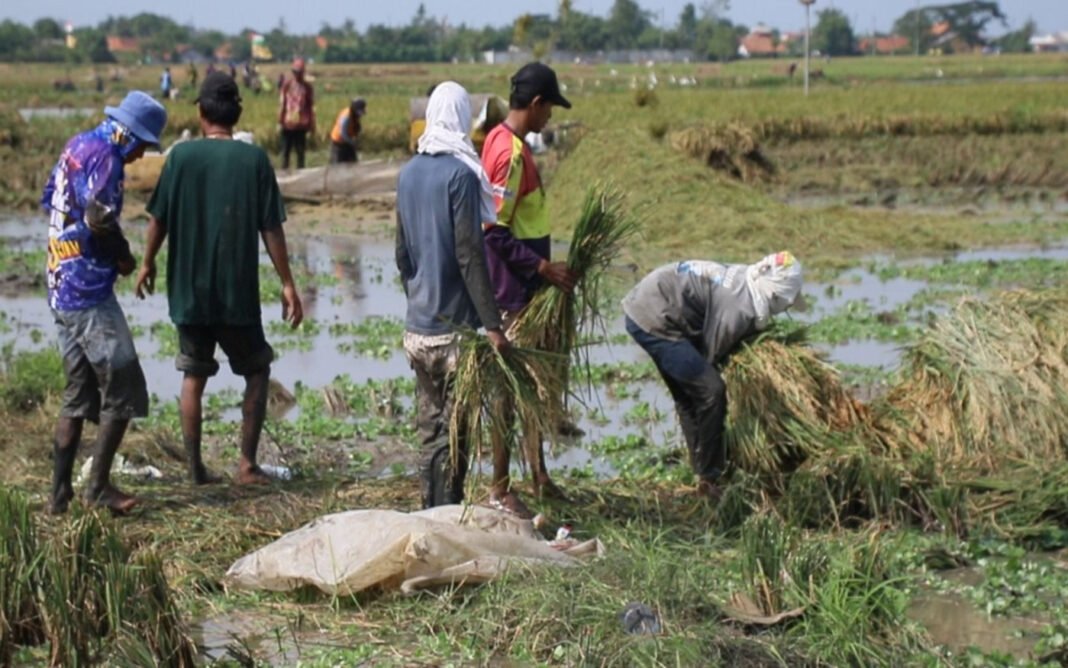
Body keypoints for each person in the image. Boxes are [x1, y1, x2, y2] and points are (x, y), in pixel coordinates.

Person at [136, 71, 303, 486]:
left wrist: (147, 262)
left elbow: (158, 219)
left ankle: (195, 469)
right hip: (236, 294)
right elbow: (271, 229)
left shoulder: (180, 158)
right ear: (237, 112)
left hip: (189, 294)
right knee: (257, 372)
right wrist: (287, 282)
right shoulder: (254, 160)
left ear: (200, 110)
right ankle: (246, 465)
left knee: (194, 376)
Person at [41, 91, 168, 514]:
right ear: (129, 136)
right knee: (125, 385)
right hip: (87, 291)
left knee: (77, 393)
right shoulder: (109, 158)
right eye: (143, 147)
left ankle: (58, 497)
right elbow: (98, 216)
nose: (139, 157)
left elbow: (51, 200)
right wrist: (123, 255)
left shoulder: (77, 145)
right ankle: (98, 487)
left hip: (59, 281)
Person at [396, 81, 509, 509]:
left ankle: (430, 510)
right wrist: (493, 326)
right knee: (457, 428)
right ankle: (450, 512)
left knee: (430, 430)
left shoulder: (407, 174)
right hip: (454, 336)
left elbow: (401, 254)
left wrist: (420, 296)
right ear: (461, 117)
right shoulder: (461, 175)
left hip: (417, 330)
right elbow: (469, 255)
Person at [622, 252, 803, 498]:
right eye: (787, 302)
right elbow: (711, 355)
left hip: (651, 302)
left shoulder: (748, 281)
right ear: (775, 295)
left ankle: (701, 470)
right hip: (654, 316)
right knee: (710, 391)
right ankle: (710, 477)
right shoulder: (739, 308)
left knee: (689, 394)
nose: (786, 308)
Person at [480, 62, 576, 516]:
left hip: (523, 289)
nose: (551, 118)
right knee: (510, 391)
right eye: (550, 108)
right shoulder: (511, 154)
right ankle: (500, 488)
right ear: (535, 105)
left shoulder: (502, 140)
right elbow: (493, 231)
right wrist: (543, 267)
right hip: (513, 294)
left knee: (534, 386)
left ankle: (538, 474)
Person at [278, 57, 315, 170]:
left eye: (299, 72)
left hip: (301, 124)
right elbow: (282, 103)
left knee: (300, 153)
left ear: (303, 72)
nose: (297, 74)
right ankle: (283, 177)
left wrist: (312, 124)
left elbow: (310, 106)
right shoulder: (287, 85)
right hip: (287, 123)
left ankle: (300, 178)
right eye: (295, 72)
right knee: (286, 152)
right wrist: (279, 121)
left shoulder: (308, 87)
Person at [329, 98, 366, 164]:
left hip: (348, 141)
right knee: (338, 166)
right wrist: (352, 143)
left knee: (353, 163)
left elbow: (355, 128)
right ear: (354, 109)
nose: (360, 115)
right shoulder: (346, 117)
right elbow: (343, 133)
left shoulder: (355, 115)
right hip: (338, 143)